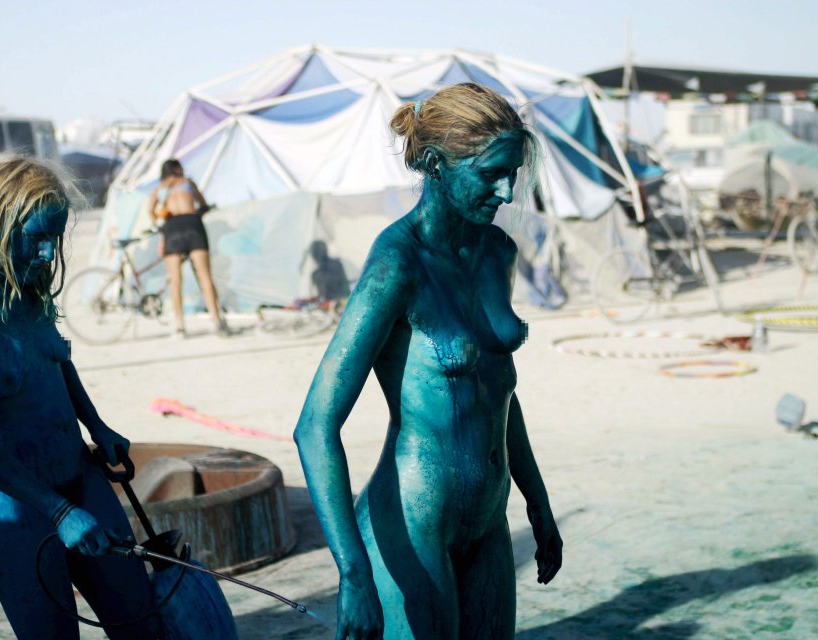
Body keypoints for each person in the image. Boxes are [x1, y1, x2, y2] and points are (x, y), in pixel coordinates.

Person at [294, 83, 563, 640]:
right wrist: (353, 573)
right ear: (437, 163)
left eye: (513, 172)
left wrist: (537, 502)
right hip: (411, 527)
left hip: (490, 522)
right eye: (491, 173)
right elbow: (314, 425)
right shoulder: (397, 264)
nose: (507, 191)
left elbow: (499, 396)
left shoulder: (497, 255)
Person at [0, 158, 161, 639]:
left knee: (143, 624)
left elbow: (58, 362)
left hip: (78, 475)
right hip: (10, 501)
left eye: (55, 237)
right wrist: (57, 511)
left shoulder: (27, 290)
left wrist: (97, 426)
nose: (48, 252)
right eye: (36, 237)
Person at [148, 159, 228, 337]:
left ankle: (180, 327)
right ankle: (216, 321)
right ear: (176, 169)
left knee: (175, 281)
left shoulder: (158, 189)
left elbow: (151, 212)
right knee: (205, 276)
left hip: (172, 228)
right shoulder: (188, 183)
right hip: (193, 225)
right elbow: (203, 204)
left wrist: (161, 225)